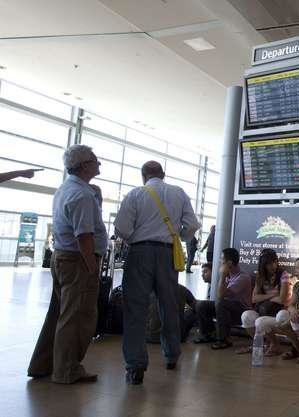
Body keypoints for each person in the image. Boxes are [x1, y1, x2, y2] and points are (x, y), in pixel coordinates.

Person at [114, 160, 200, 385]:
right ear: (163, 174)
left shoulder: (135, 194)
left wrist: (137, 238)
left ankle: (135, 367)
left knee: (135, 309)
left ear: (143, 176)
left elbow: (122, 228)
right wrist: (177, 236)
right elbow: (192, 224)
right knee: (169, 304)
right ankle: (171, 355)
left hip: (139, 253)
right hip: (167, 254)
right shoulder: (178, 192)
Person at [27, 145, 107, 384]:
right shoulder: (82, 195)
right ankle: (66, 369)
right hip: (77, 261)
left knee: (59, 314)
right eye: (95, 160)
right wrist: (92, 267)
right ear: (84, 165)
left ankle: (44, 364)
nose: (99, 164)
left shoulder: (67, 188)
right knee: (78, 317)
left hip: (63, 258)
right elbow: (84, 236)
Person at [194, 248, 252, 349]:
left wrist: (223, 275)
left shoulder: (243, 277)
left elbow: (221, 295)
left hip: (241, 311)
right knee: (201, 305)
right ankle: (208, 334)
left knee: (221, 303)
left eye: (222, 260)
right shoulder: (229, 275)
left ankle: (223, 339)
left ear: (229, 263)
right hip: (227, 307)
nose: (220, 262)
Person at [239, 249, 292, 355]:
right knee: (246, 316)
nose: (272, 266)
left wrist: (263, 297)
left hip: (279, 312)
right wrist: (273, 295)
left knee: (261, 321)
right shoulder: (260, 276)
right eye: (268, 264)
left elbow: (282, 299)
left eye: (274, 262)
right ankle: (260, 344)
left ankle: (275, 345)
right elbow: (254, 299)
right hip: (263, 310)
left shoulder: (283, 275)